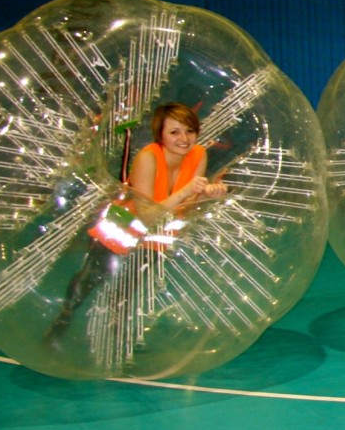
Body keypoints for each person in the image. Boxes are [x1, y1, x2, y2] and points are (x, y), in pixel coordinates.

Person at [46, 102, 227, 346]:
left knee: (128, 288)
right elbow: (146, 215)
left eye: (190, 131)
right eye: (174, 132)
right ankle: (63, 321)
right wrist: (185, 192)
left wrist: (207, 194)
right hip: (124, 226)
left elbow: (188, 203)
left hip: (157, 233)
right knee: (91, 278)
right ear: (160, 134)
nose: (184, 139)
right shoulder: (148, 157)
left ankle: (114, 340)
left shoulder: (198, 154)